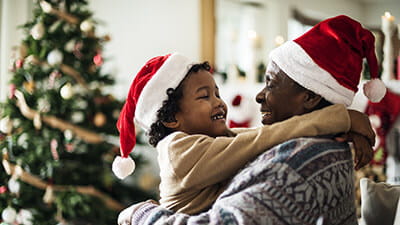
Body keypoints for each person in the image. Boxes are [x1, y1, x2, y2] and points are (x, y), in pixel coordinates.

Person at [117, 15, 386, 225]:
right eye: (204, 96)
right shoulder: (178, 149)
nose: (258, 95)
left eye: (270, 83)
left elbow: (255, 139)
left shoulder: (299, 161)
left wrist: (141, 214)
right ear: (173, 119)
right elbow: (259, 139)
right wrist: (339, 118)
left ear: (310, 98)